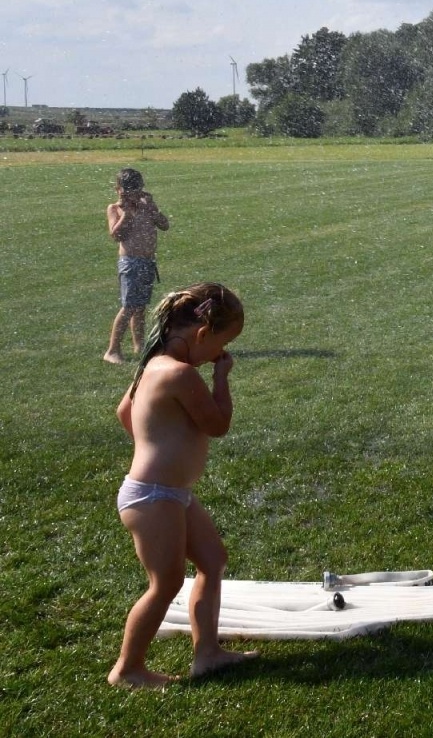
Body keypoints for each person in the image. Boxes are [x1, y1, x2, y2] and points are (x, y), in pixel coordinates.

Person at [108, 282, 256, 688]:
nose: (218, 357)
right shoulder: (180, 373)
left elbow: (126, 412)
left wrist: (158, 440)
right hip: (153, 497)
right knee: (166, 583)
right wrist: (221, 378)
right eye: (220, 346)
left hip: (168, 495)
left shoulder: (152, 365)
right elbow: (218, 425)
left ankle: (207, 654)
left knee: (212, 560)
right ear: (202, 334)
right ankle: (127, 669)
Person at [105, 168, 170, 365]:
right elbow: (116, 236)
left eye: (137, 190)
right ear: (118, 190)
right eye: (128, 191)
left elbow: (164, 225)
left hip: (147, 262)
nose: (133, 194)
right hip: (131, 263)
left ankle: (139, 346)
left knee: (140, 307)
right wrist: (127, 214)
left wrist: (152, 208)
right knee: (129, 306)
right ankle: (112, 350)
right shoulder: (115, 209)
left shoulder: (146, 206)